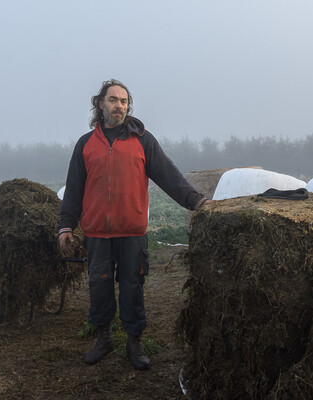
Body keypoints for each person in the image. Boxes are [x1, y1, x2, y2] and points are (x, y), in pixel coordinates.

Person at [58, 79, 209, 370]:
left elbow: (169, 176)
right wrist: (65, 227)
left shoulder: (143, 140)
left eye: (124, 101)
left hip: (132, 232)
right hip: (97, 234)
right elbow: (74, 189)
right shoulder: (86, 145)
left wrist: (197, 201)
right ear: (100, 104)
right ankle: (103, 338)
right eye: (113, 100)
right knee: (99, 286)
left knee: (132, 286)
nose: (119, 106)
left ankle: (134, 342)